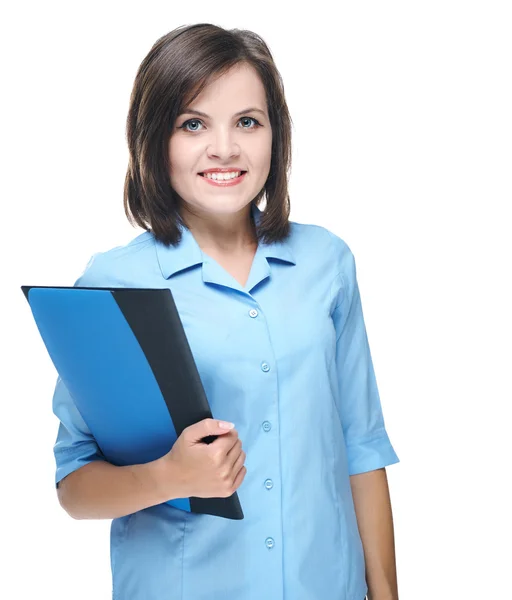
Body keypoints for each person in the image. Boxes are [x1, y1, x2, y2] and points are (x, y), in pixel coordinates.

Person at [52, 23, 400, 600]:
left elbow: (361, 447)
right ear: (154, 139)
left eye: (247, 121)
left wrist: (385, 592)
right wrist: (170, 478)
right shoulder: (113, 285)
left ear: (275, 136)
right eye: (193, 124)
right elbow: (74, 485)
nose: (224, 149)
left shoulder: (327, 263)